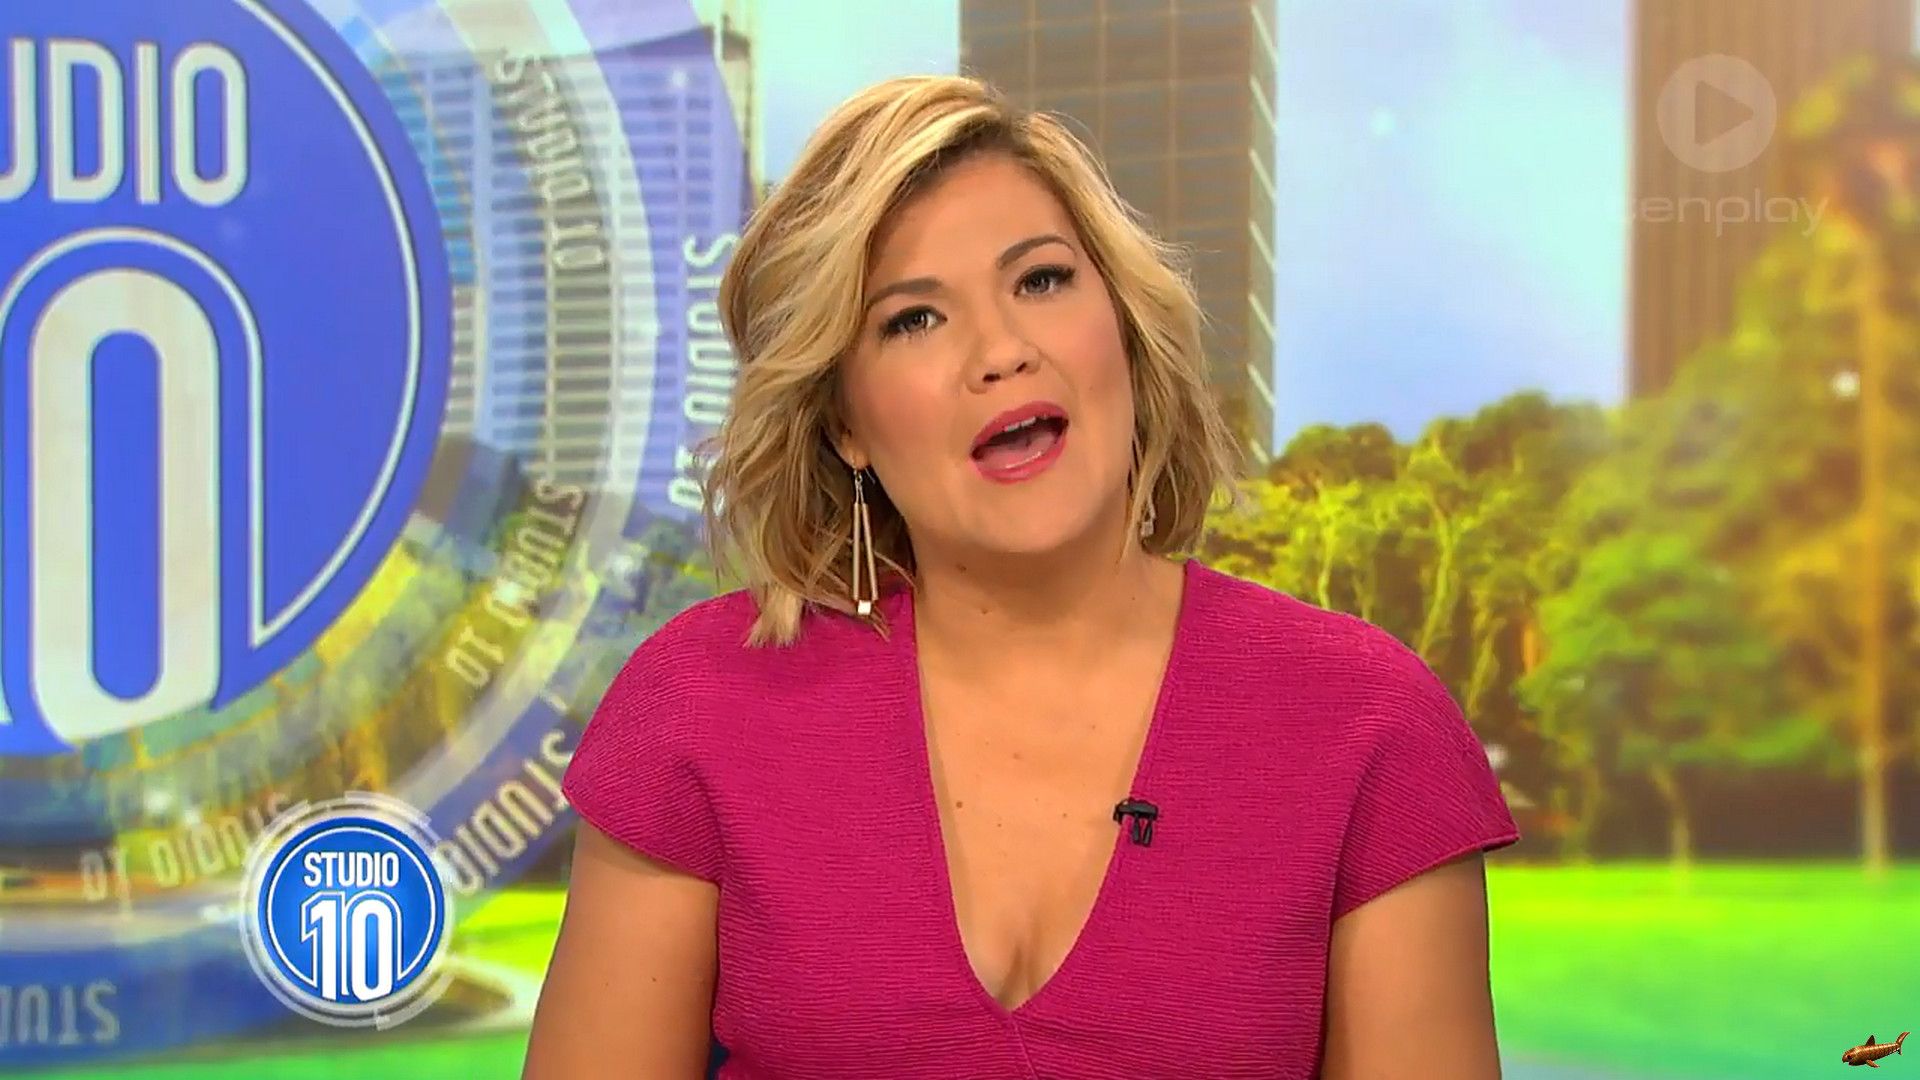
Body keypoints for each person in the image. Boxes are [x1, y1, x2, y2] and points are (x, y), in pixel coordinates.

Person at [523, 75, 1519, 1080]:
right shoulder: (697, 707)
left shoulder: (1367, 725)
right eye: (913, 320)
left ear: (1123, 325)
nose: (1001, 352)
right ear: (845, 424)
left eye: (1041, 280)